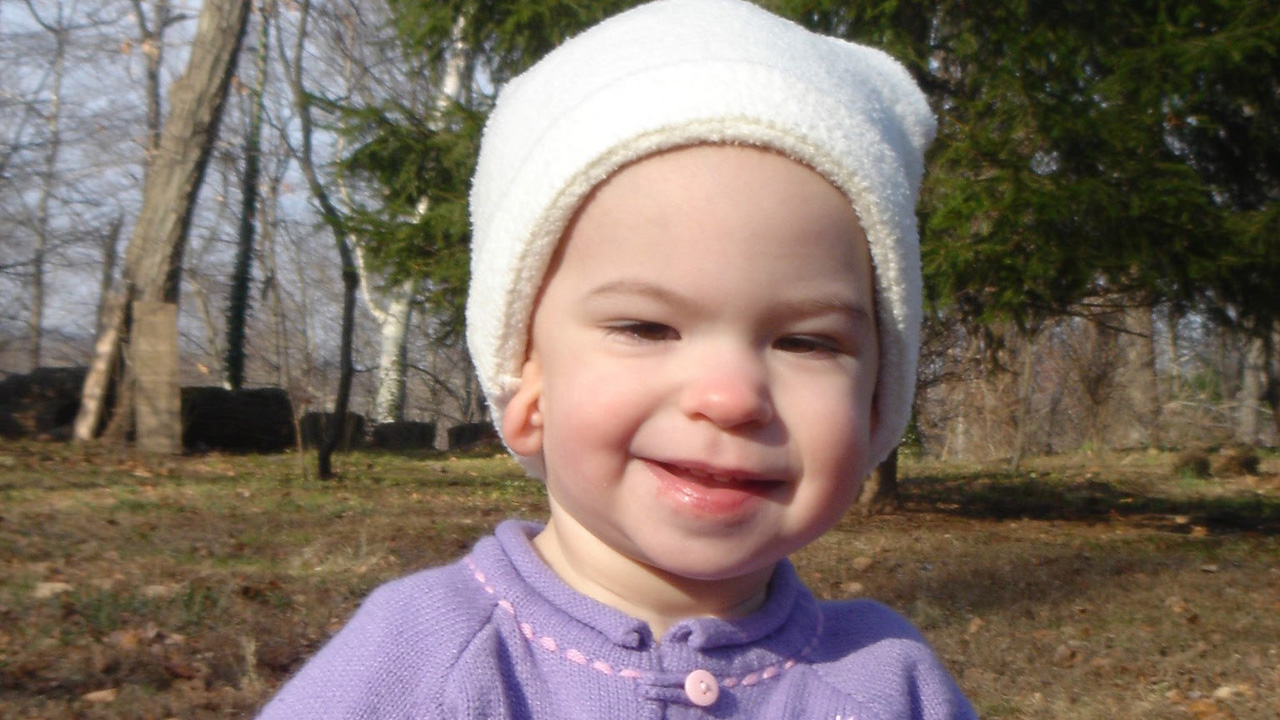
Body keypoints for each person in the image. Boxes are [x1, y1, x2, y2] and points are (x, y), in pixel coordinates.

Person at [256, 0, 978, 717]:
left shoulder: (885, 682)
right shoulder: (420, 660)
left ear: (880, 397)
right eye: (647, 328)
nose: (730, 398)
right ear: (528, 381)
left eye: (805, 342)